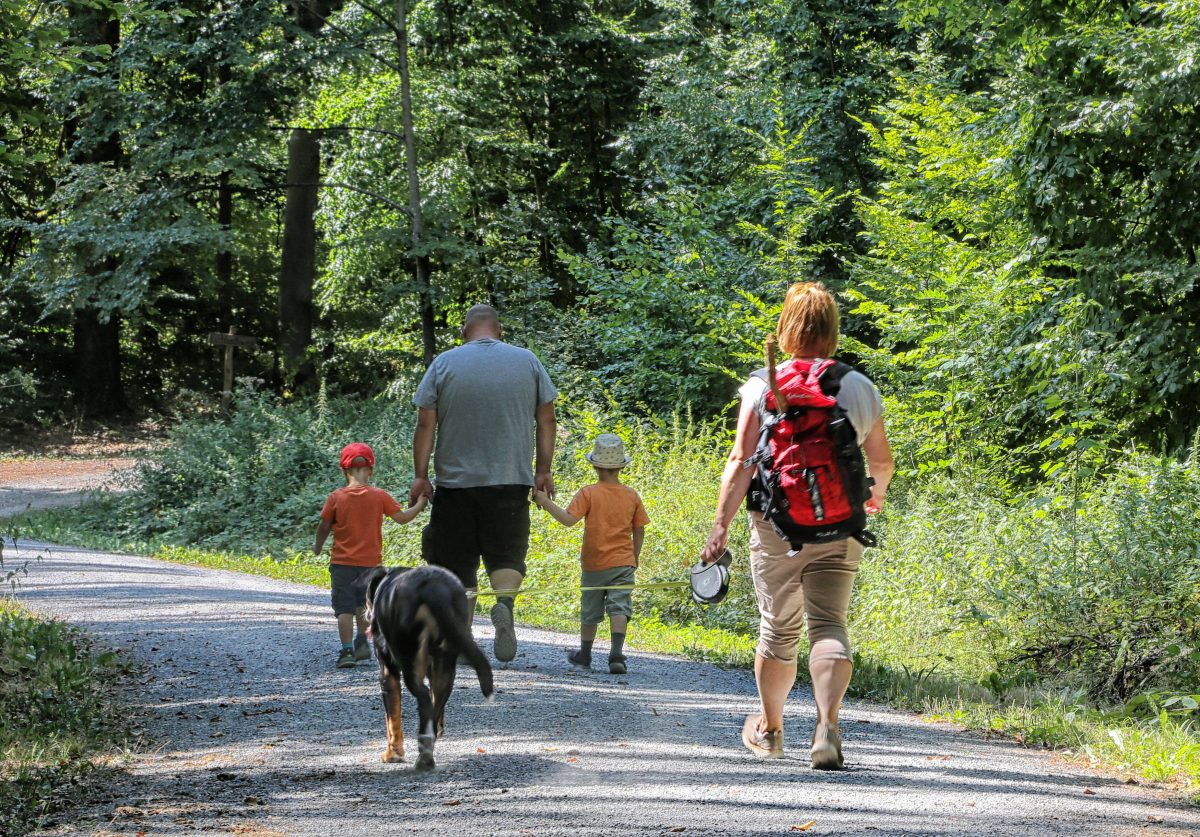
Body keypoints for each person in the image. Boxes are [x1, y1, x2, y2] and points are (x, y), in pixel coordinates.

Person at [700, 282, 894, 768]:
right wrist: (873, 499)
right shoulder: (858, 385)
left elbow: (742, 459)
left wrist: (720, 525)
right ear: (832, 330)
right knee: (829, 624)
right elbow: (882, 463)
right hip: (840, 526)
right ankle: (827, 727)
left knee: (778, 630)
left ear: (786, 328)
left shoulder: (764, 383)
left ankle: (771, 730)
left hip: (775, 527)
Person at [410, 304, 557, 663]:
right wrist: (543, 470)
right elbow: (547, 418)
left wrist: (421, 475)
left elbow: (426, 424)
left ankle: (462, 637)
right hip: (510, 479)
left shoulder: (444, 363)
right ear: (500, 329)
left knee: (458, 563)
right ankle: (504, 604)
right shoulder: (527, 361)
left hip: (456, 484)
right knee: (506, 554)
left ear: (464, 331)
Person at [533, 434, 650, 675]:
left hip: (594, 564)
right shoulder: (632, 495)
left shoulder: (588, 493)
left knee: (590, 610)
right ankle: (616, 654)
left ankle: (585, 654)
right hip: (623, 563)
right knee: (620, 607)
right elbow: (639, 530)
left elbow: (568, 520)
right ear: (621, 466)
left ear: (595, 465)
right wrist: (634, 557)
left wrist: (545, 501)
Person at [315, 442, 428, 669]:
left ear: (344, 470)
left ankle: (347, 651)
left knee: (344, 608)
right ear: (371, 470)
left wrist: (317, 547)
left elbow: (324, 526)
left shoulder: (336, 497)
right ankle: (362, 640)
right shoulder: (379, 496)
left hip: (341, 564)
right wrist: (421, 503)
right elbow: (403, 518)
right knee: (364, 605)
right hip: (371, 565)